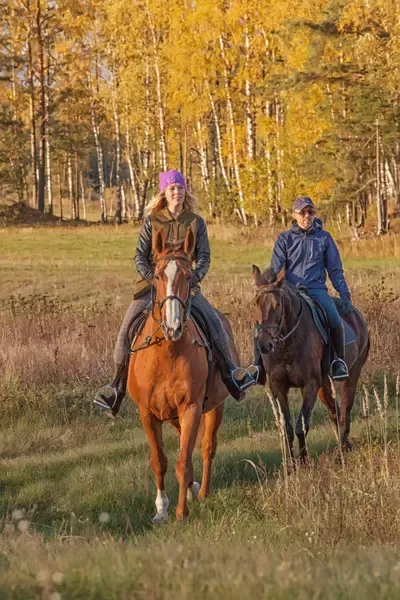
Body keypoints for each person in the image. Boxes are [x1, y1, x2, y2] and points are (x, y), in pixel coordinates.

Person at [96, 170, 256, 415]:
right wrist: (155, 280)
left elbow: (203, 257)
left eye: (180, 188)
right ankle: (116, 388)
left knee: (216, 324)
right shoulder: (152, 221)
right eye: (172, 188)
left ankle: (232, 376)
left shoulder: (196, 222)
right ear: (164, 192)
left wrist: (193, 279)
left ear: (185, 192)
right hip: (151, 288)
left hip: (185, 288)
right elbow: (140, 256)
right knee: (125, 332)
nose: (176, 192)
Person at [258, 196, 353, 381]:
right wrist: (266, 285)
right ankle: (258, 366)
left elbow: (335, 270)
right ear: (294, 215)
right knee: (264, 319)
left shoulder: (324, 238)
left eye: (310, 212)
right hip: (290, 291)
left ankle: (338, 362)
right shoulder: (284, 239)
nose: (307, 216)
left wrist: (344, 294)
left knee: (334, 317)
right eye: (302, 212)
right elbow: (276, 267)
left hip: (317, 290)